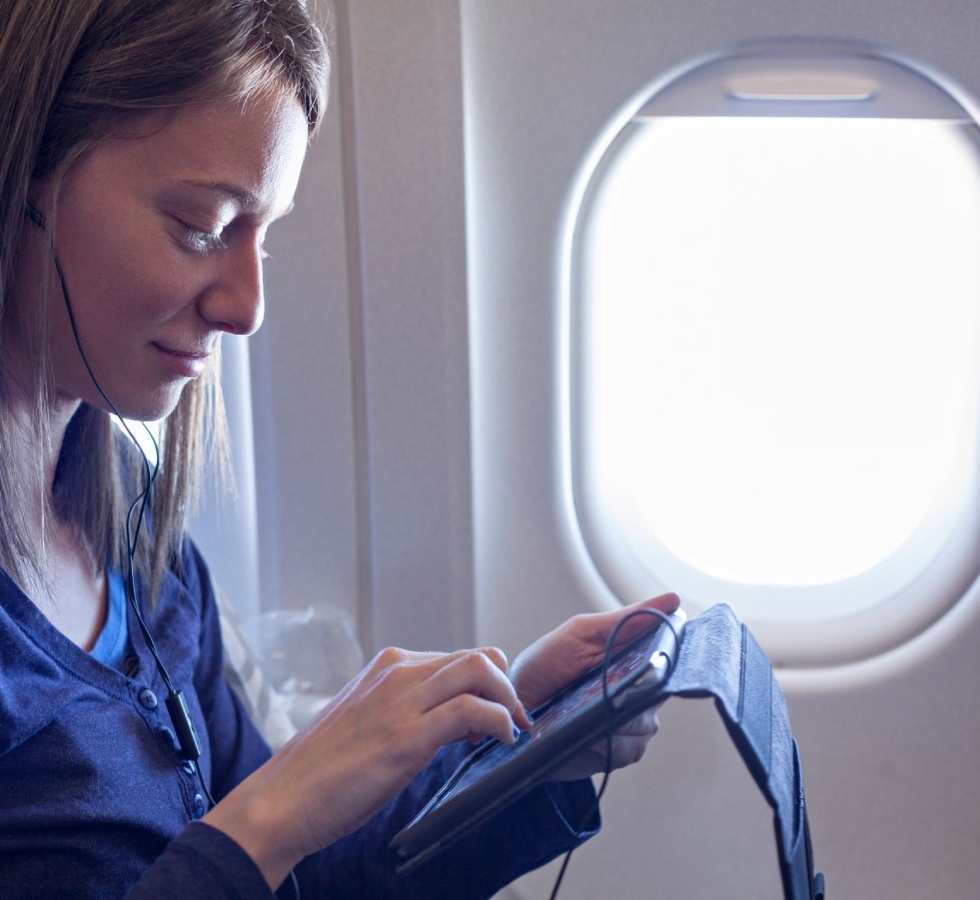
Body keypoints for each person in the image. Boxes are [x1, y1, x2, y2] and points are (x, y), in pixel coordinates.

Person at [0, 1, 680, 897]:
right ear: (24, 174)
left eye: (264, 240)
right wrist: (267, 815)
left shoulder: (132, 529)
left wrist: (511, 746)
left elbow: (293, 879)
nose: (246, 308)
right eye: (204, 226)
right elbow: (252, 842)